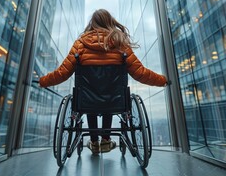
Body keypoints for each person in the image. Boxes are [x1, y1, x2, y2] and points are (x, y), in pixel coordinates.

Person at [39, 9, 168, 155]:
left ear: (92, 24)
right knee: (109, 93)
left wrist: (43, 81)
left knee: (89, 94)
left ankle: (94, 143)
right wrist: (163, 80)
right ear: (110, 22)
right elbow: (140, 73)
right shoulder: (121, 45)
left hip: (86, 101)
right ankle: (106, 141)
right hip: (115, 100)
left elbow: (62, 73)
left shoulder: (80, 44)